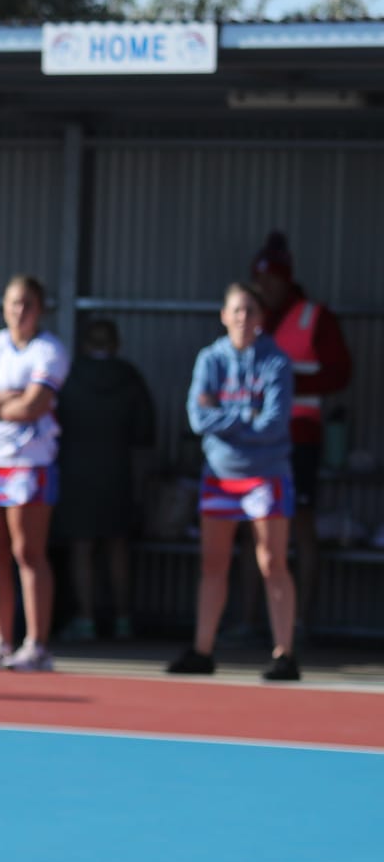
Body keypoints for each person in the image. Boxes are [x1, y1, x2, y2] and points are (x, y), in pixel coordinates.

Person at [166, 283, 300, 681]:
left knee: (272, 561)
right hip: (220, 475)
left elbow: (274, 423)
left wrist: (225, 417)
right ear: (224, 316)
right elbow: (198, 419)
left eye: (250, 311)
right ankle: (202, 649)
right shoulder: (210, 359)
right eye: (236, 310)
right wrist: (246, 416)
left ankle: (284, 653)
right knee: (214, 563)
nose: (243, 318)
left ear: (260, 318)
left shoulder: (276, 361)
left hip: (266, 474)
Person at [238, 231, 352, 641]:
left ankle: (299, 622)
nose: (265, 287)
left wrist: (286, 386)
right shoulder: (249, 317)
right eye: (259, 279)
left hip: (299, 436)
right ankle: (246, 620)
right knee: (253, 528)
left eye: (272, 279)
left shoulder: (313, 317)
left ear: (286, 279)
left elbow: (340, 372)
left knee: (300, 526)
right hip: (256, 441)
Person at [0, 274, 68, 672]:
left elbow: (33, 406)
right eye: (13, 303)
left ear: (40, 309)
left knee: (28, 552)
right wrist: (7, 398)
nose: (19, 311)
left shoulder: (49, 350)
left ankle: (36, 644)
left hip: (29, 462)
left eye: (27, 304)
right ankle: (0, 641)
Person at [51, 317, 154, 641]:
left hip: (76, 472)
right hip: (118, 471)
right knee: (117, 545)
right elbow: (145, 433)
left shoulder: (68, 376)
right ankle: (123, 619)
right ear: (116, 343)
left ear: (83, 345)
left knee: (81, 547)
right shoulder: (130, 377)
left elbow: (53, 424)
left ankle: (86, 619)